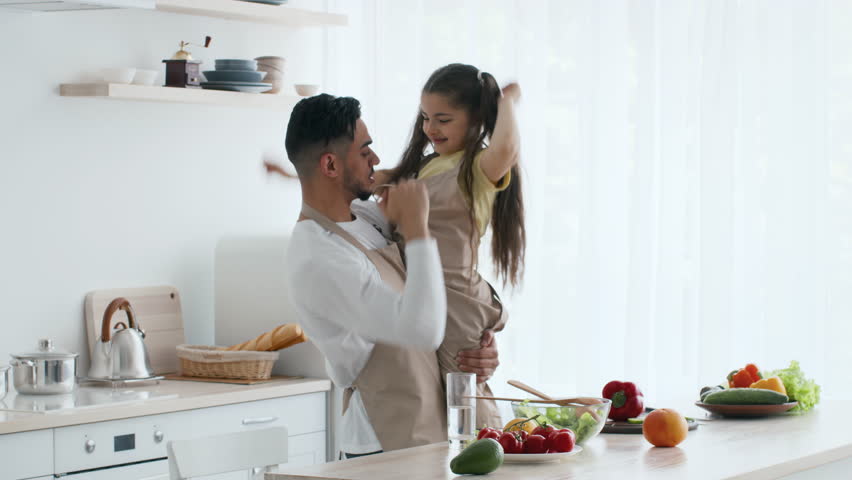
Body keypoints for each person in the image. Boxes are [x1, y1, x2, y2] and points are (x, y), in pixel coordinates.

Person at [280, 93, 497, 458]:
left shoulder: (364, 218)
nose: (376, 161)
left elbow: (442, 277)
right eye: (365, 151)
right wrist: (417, 230)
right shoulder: (318, 256)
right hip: (385, 446)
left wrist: (477, 347)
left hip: (435, 430)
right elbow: (421, 330)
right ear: (330, 165)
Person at [380, 63, 525, 430]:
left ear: (475, 118)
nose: (430, 128)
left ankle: (496, 455)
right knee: (445, 395)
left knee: (464, 391)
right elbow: (368, 181)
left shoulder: (477, 167)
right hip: (425, 289)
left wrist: (506, 102)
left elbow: (506, 147)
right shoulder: (425, 165)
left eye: (443, 119)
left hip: (455, 295)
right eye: (426, 117)